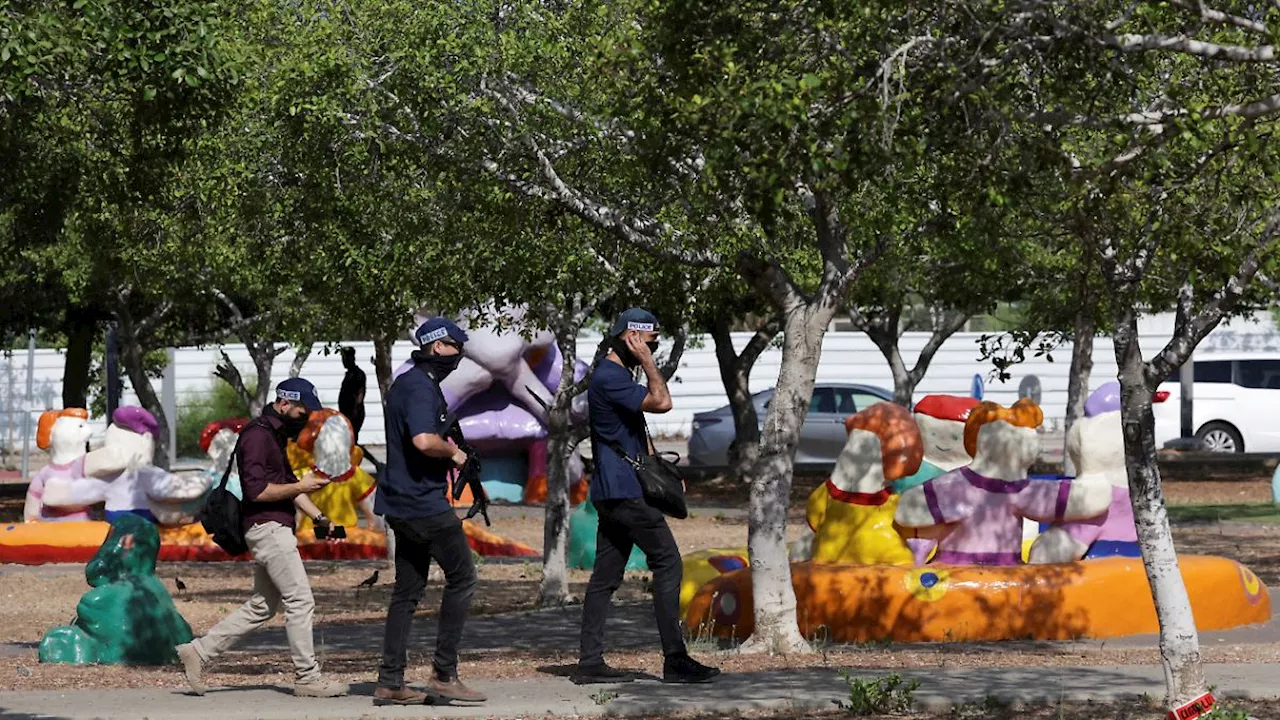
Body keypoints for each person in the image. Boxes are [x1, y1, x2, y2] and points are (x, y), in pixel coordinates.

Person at [175, 378, 347, 698]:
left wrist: (322, 518)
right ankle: (307, 677)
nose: (305, 417)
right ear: (284, 404)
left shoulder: (273, 435)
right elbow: (258, 492)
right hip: (268, 530)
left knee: (261, 606)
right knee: (300, 600)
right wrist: (302, 487)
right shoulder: (256, 436)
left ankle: (198, 652)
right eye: (301, 411)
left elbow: (289, 483)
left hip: (273, 528)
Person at [577, 308, 720, 684]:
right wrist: (647, 362)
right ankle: (675, 659)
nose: (652, 349)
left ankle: (590, 662)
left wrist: (665, 475)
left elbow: (634, 432)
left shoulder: (615, 377)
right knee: (669, 563)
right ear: (632, 339)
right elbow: (662, 402)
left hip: (615, 491)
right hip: (624, 493)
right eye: (649, 342)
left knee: (605, 578)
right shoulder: (610, 377)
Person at [372, 317, 484, 706]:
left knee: (407, 591)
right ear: (438, 346)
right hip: (422, 503)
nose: (460, 354)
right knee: (464, 577)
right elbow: (423, 440)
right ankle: (444, 673)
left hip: (400, 504)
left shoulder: (407, 383)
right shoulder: (419, 386)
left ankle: (390, 682)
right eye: (456, 347)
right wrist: (455, 453)